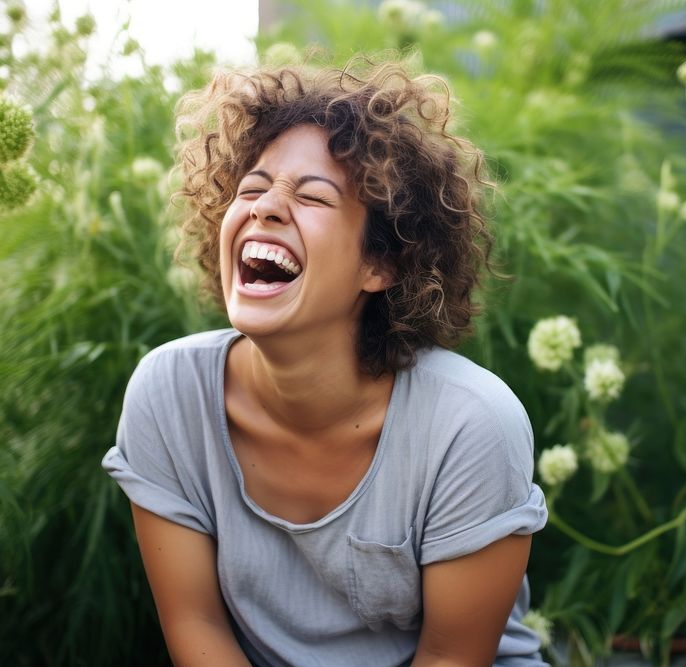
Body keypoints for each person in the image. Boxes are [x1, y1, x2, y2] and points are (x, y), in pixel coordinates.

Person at [102, 60, 549, 666]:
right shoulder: (168, 393)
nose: (265, 209)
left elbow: (449, 659)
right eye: (251, 189)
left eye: (312, 196)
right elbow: (196, 626)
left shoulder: (470, 425)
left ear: (380, 267)